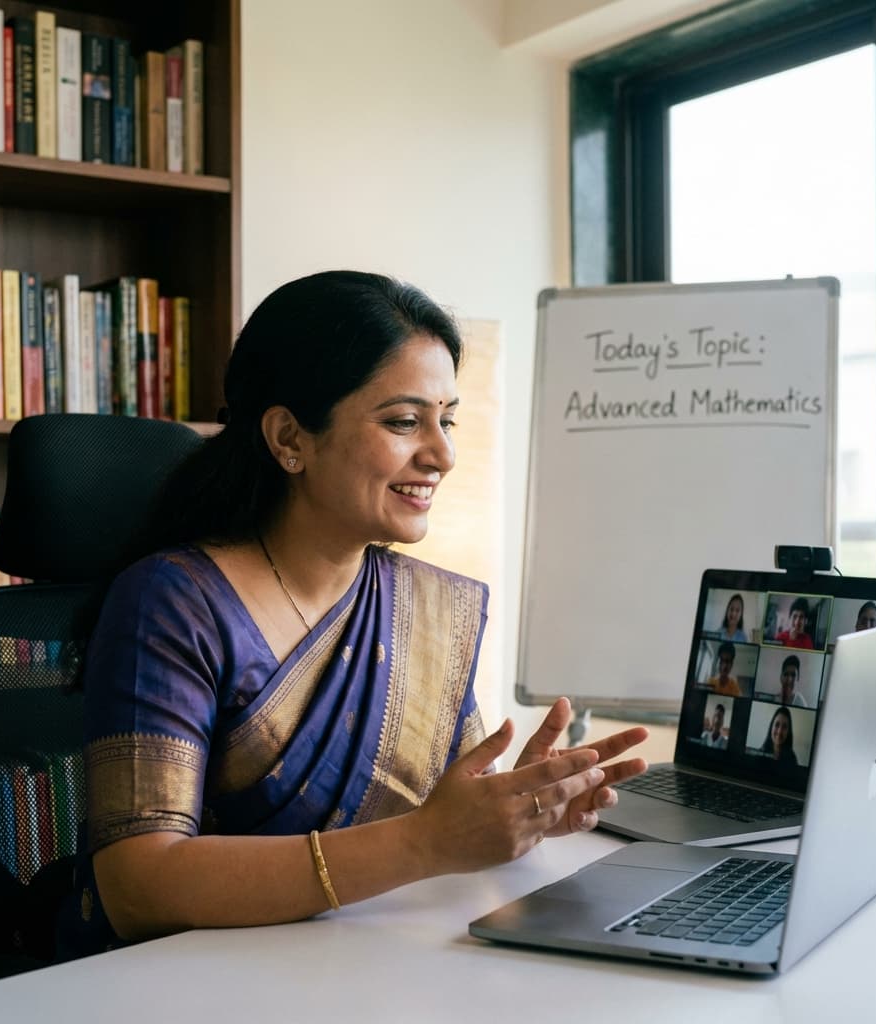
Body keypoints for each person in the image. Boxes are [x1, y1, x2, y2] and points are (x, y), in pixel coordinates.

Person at [57, 271, 648, 958]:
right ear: (289, 438)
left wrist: (521, 812)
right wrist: (425, 843)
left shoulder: (425, 609)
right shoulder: (173, 602)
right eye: (403, 421)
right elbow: (138, 889)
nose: (444, 454)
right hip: (182, 984)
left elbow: (447, 819)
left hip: (359, 964)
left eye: (447, 419)